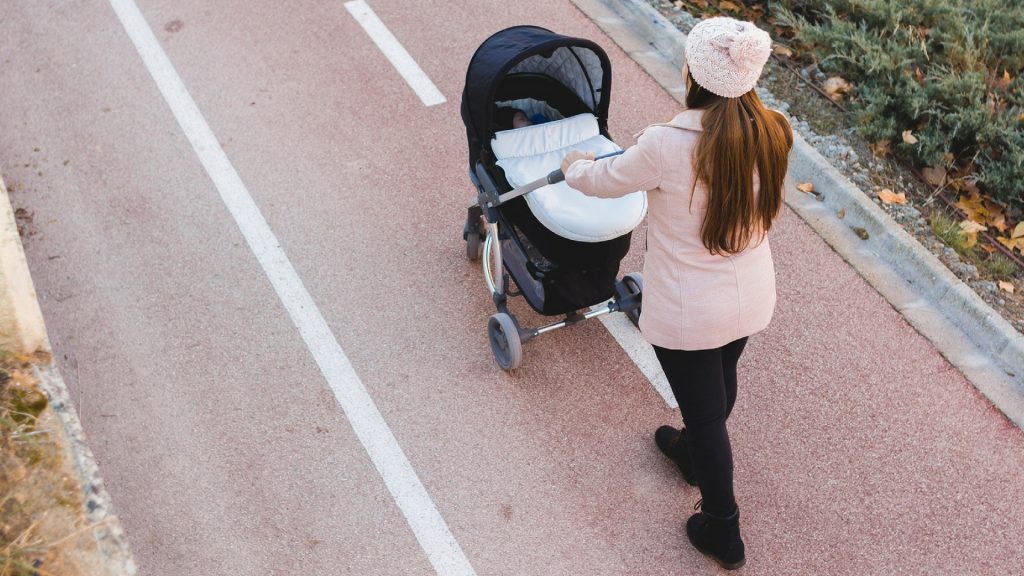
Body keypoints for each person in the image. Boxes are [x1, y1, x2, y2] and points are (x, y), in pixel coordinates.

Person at [560, 17, 793, 570]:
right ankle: (691, 451)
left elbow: (604, 180)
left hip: (691, 307)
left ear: (694, 75)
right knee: (721, 377)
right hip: (751, 294)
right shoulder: (775, 130)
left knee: (707, 412)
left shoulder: (667, 144)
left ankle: (722, 528)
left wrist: (575, 167)